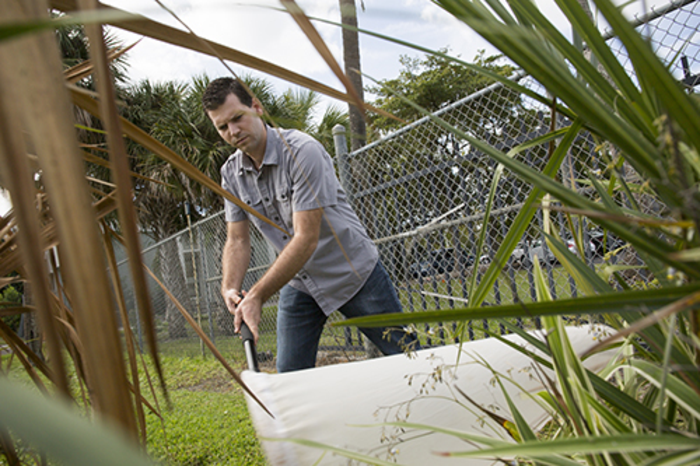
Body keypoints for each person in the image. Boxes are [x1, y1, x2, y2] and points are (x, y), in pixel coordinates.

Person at [203, 77, 415, 372]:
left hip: (352, 273)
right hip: (301, 282)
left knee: (410, 358)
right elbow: (237, 240)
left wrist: (256, 296)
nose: (233, 131)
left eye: (237, 118)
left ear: (257, 107)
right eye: (222, 127)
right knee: (290, 376)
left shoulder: (303, 151)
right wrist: (230, 288)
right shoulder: (231, 174)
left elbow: (306, 238)